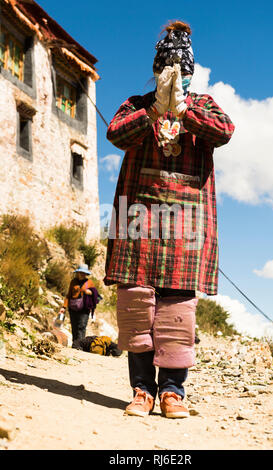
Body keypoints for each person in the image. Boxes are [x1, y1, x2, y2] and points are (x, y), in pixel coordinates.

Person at [104, 21, 235, 418]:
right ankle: (142, 391)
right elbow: (115, 134)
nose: (173, 78)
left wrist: (184, 110)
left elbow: (225, 131)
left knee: (177, 309)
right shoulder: (136, 105)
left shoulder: (204, 105)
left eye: (179, 73)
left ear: (191, 75)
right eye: (165, 72)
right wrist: (156, 109)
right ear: (156, 72)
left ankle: (172, 392)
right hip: (137, 221)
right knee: (137, 305)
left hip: (186, 225)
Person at [59, 264, 100, 347]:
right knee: (74, 327)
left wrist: (90, 292)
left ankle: (81, 345)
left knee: (81, 327)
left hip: (84, 309)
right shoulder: (73, 282)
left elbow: (96, 295)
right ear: (77, 273)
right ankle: (75, 345)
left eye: (84, 273)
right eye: (81, 272)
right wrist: (64, 307)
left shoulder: (90, 283)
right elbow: (69, 295)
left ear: (86, 274)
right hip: (73, 307)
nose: (82, 274)